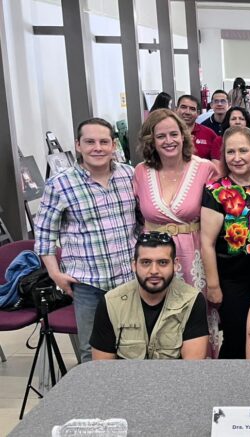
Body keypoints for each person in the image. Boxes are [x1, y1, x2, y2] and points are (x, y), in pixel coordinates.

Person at [35, 118, 137, 363]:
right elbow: (44, 234)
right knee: (92, 353)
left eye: (104, 142)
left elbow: (142, 222)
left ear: (113, 145)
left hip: (129, 281)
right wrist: (55, 274)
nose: (97, 148)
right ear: (78, 145)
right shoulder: (60, 184)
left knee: (133, 348)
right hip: (88, 285)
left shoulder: (129, 175)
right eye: (90, 142)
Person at [133, 109, 220, 356]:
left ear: (184, 135)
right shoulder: (140, 172)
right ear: (151, 140)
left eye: (174, 134)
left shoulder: (205, 168)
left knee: (195, 317)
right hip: (154, 256)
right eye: (161, 136)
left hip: (194, 254)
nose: (168, 141)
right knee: (157, 316)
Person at [201, 126, 250, 359]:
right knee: (236, 338)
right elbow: (206, 243)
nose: (237, 157)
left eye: (243, 150)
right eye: (230, 152)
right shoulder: (215, 191)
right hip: (232, 280)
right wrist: (213, 286)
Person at [90, 232, 209, 360]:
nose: (154, 271)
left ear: (175, 265)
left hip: (175, 374)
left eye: (162, 262)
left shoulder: (192, 300)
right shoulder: (111, 303)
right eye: (146, 262)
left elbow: (192, 366)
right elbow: (102, 367)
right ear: (134, 265)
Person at [176, 94, 220, 163]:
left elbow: (217, 162)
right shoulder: (167, 133)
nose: (187, 112)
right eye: (183, 107)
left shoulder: (209, 134)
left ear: (198, 113)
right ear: (176, 109)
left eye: (192, 109)